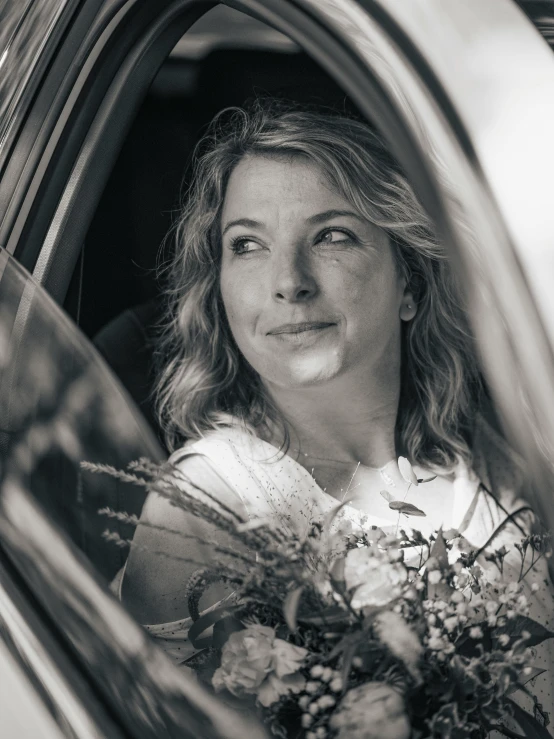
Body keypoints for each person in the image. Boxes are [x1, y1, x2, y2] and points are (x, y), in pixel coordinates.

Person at [117, 101, 553, 725]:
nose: (288, 281)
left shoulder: (493, 457)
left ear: (410, 282)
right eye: (247, 245)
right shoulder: (204, 506)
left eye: (331, 235)